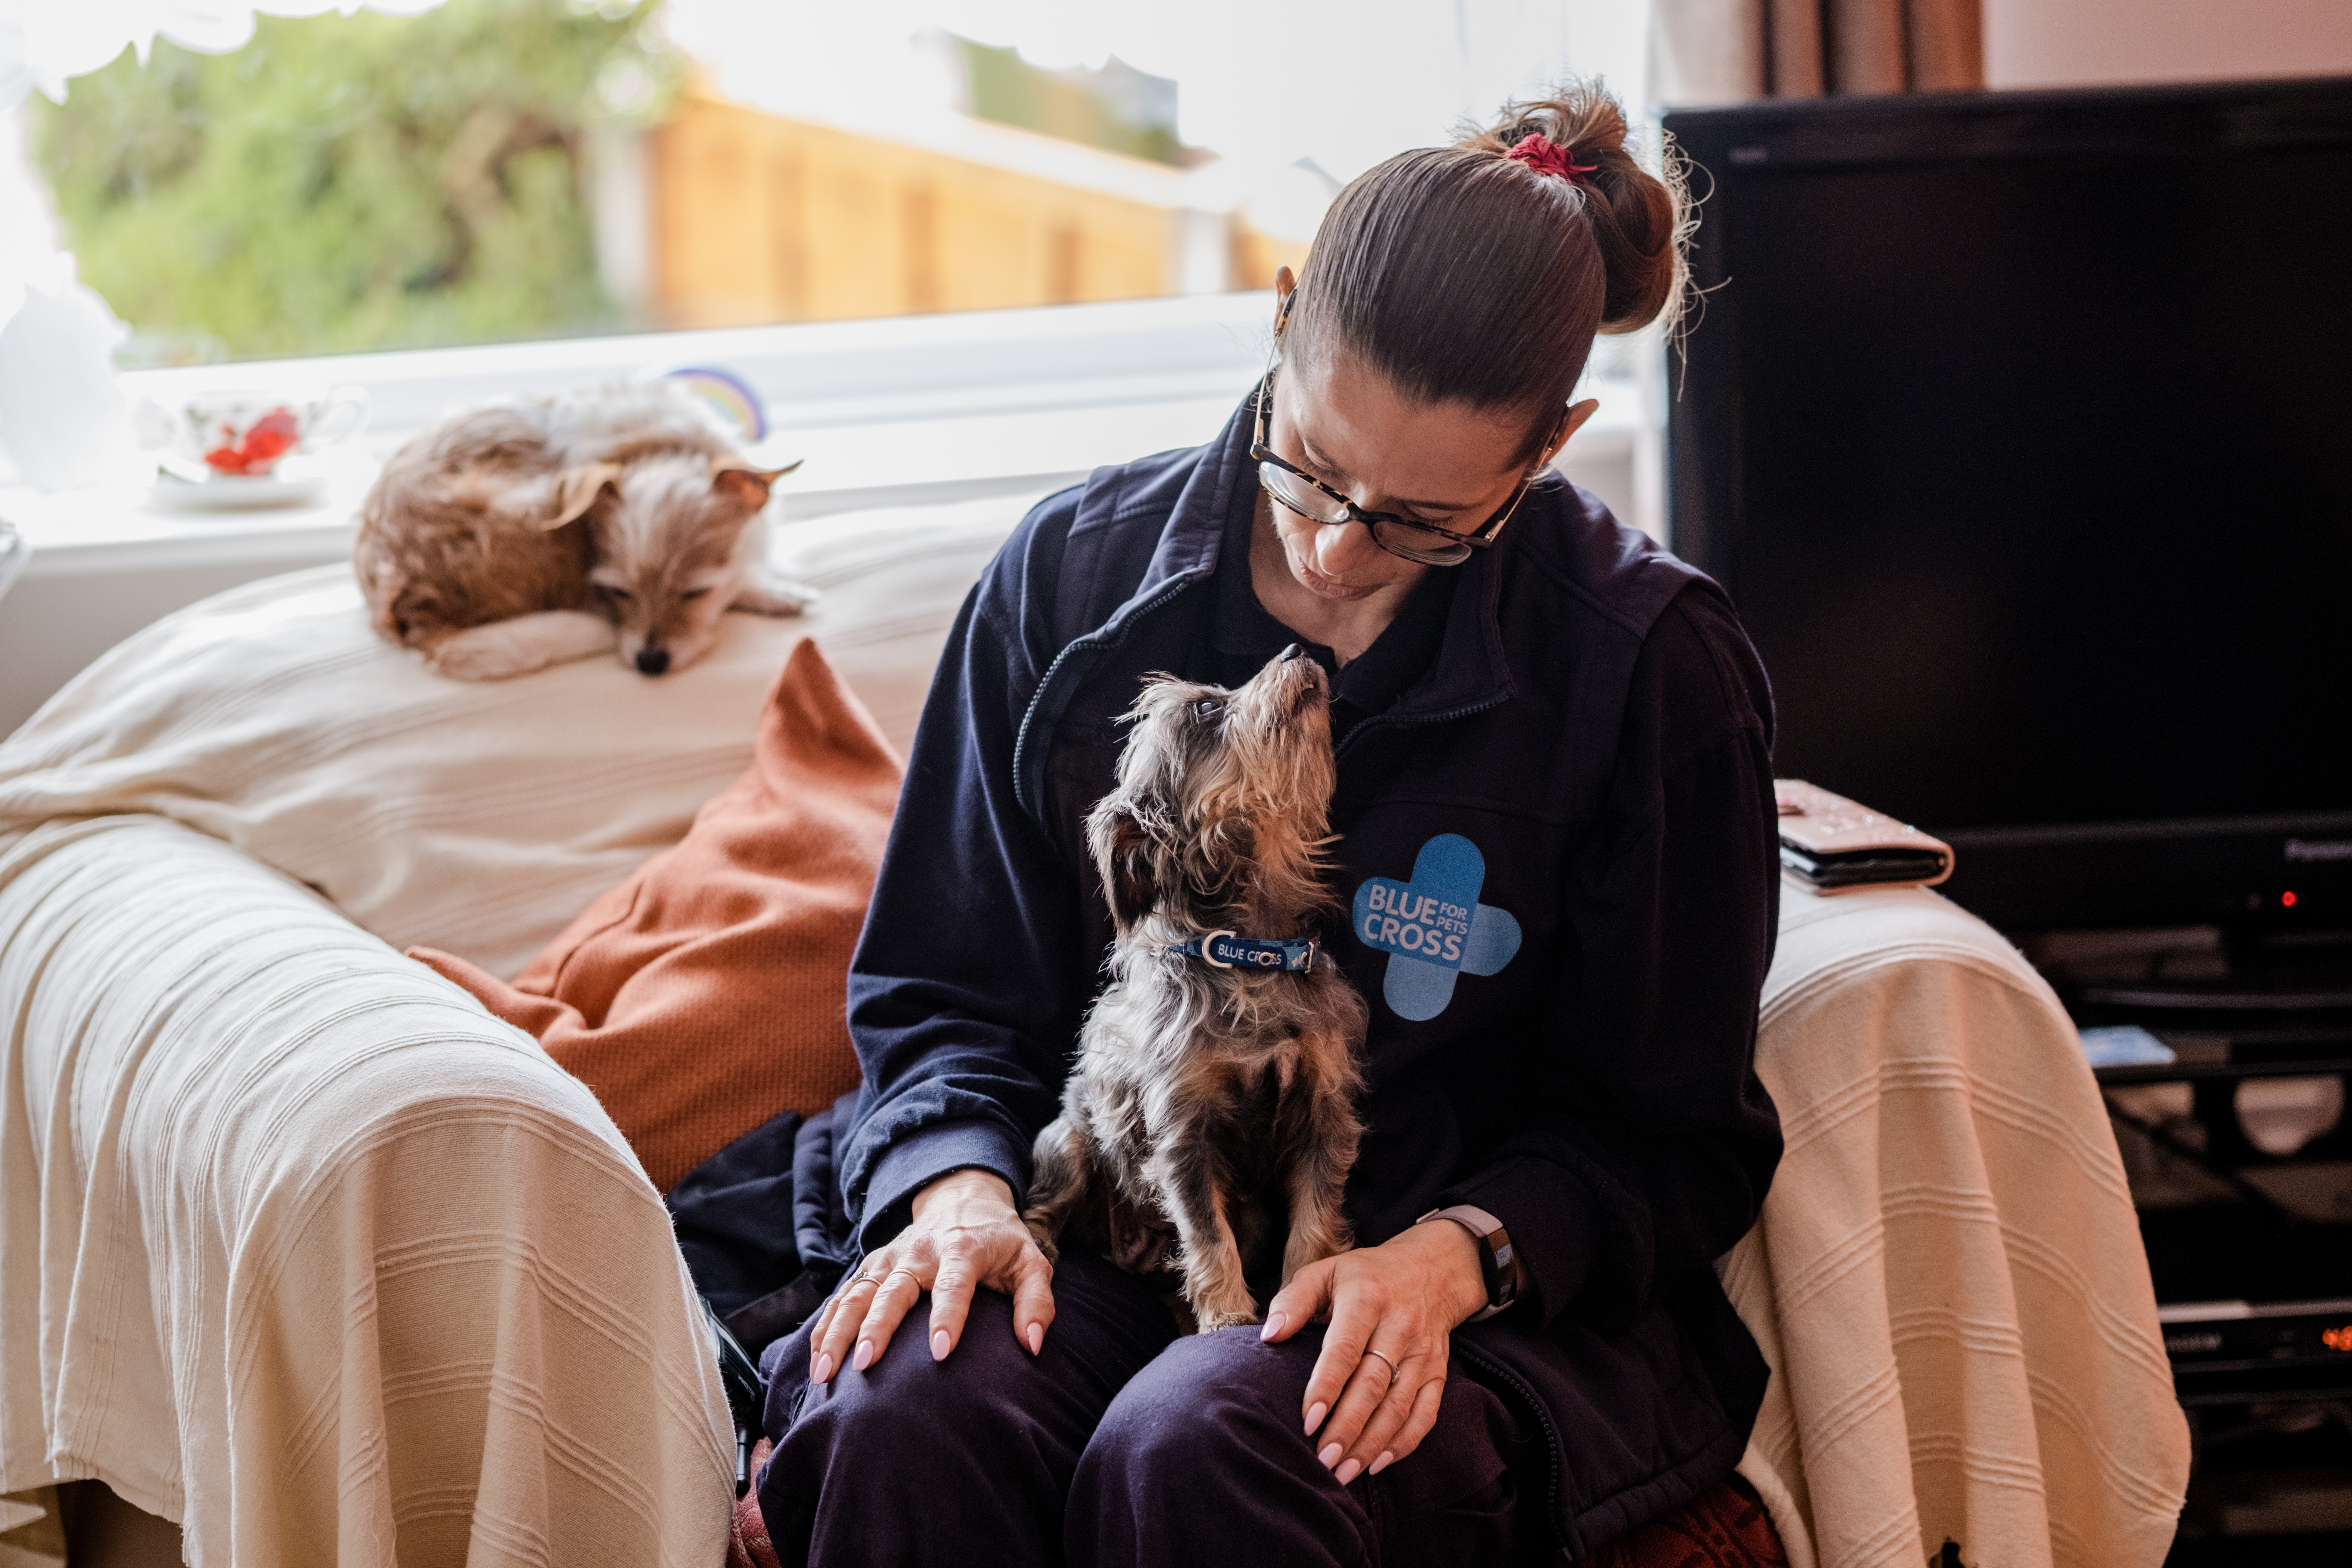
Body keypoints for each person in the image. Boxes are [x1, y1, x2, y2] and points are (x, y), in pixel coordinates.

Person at [755, 81, 1784, 1568]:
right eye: (1311, 462)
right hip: (1111, 1213)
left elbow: (1672, 1135)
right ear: (1284, 313)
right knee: (904, 1408)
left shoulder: (1649, 668)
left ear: (1551, 444)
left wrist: (1457, 1258)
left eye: (1424, 519)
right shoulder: (1065, 582)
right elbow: (941, 988)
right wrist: (962, 1190)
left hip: (1444, 1265)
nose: (1339, 548)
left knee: (1212, 1437)